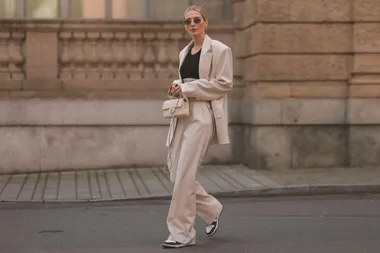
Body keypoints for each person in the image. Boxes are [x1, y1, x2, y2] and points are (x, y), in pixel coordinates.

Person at [162, 5, 234, 249]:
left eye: (196, 20)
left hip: (203, 115)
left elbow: (224, 84)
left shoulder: (220, 50)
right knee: (176, 174)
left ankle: (181, 233)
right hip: (182, 113)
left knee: (184, 174)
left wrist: (188, 88)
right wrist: (176, 86)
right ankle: (212, 209)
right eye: (188, 21)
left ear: (206, 22)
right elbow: (184, 80)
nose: (192, 24)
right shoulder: (184, 53)